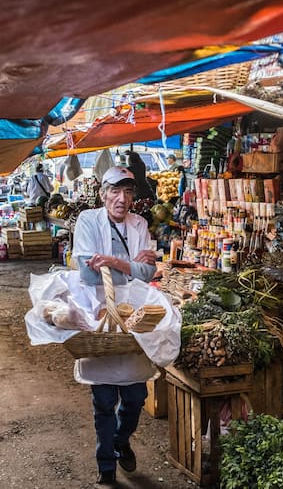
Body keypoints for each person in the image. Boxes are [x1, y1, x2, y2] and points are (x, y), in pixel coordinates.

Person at [72, 166, 158, 488]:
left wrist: (114, 263)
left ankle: (122, 440)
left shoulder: (140, 224)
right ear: (103, 193)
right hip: (101, 320)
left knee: (135, 397)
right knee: (104, 401)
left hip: (134, 320)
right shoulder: (88, 221)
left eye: (128, 192)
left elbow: (148, 274)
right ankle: (106, 465)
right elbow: (88, 274)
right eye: (115, 191)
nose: (121, 199)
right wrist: (133, 265)